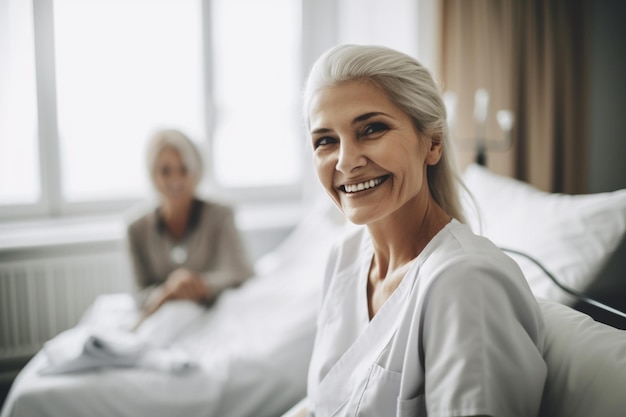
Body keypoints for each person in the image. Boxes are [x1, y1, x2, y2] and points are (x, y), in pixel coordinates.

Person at [298, 45, 547, 417]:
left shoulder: (466, 283)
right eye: (326, 141)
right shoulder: (345, 255)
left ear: (432, 143)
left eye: (371, 129)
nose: (347, 162)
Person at [127, 129, 254, 323]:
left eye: (184, 169)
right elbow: (139, 295)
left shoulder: (221, 216)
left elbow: (242, 273)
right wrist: (169, 290)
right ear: (153, 175)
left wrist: (198, 285)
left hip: (214, 318)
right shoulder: (136, 229)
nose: (175, 179)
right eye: (165, 171)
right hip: (165, 321)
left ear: (196, 173)